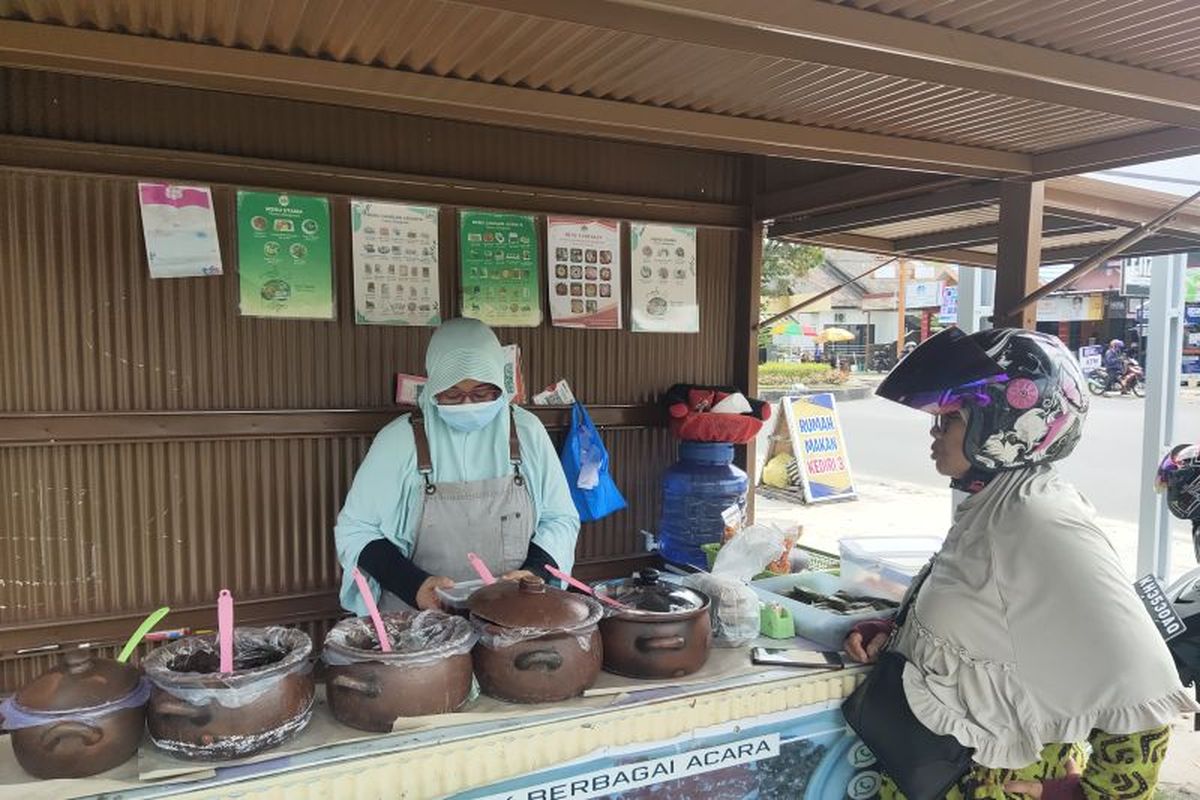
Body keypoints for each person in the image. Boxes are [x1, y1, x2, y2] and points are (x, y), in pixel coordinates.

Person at [845, 328, 1196, 800]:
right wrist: (897, 633)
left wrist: (1083, 795)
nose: (934, 432)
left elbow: (1146, 684)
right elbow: (995, 629)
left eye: (948, 418)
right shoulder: (994, 506)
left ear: (1002, 425)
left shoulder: (1039, 517)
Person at [334, 318, 580, 615]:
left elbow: (560, 519)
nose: (467, 405)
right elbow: (356, 530)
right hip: (418, 623)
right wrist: (414, 586)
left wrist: (536, 572)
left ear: (500, 386)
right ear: (433, 387)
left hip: (511, 616)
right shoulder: (398, 440)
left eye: (481, 394)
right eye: (451, 395)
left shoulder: (527, 431)